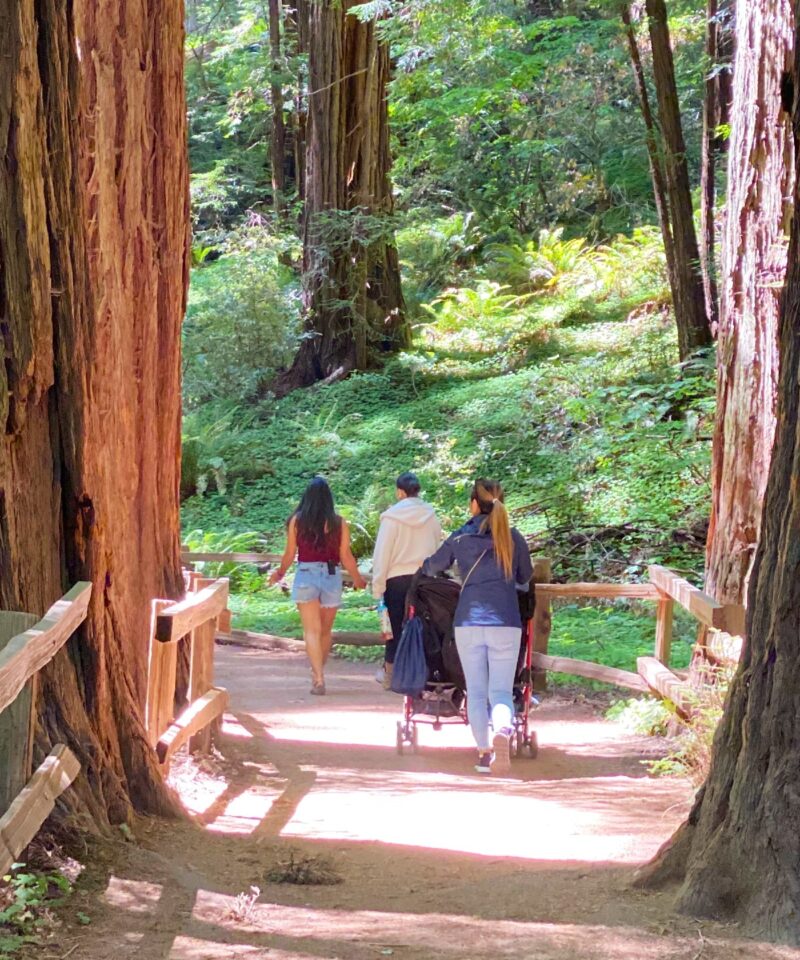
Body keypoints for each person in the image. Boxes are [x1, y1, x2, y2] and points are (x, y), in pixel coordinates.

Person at [421, 478, 533, 775]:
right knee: (500, 692)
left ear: (473, 504)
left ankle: (484, 754)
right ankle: (504, 731)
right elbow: (525, 577)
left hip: (469, 621)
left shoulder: (461, 538)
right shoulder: (514, 537)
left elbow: (432, 566)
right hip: (506, 621)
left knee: (477, 691)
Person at [269, 477, 367, 695]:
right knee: (325, 631)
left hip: (306, 574)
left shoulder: (297, 521)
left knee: (311, 631)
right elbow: (346, 555)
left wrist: (279, 573)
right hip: (331, 575)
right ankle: (318, 674)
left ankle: (319, 678)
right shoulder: (338, 522)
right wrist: (357, 578)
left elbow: (289, 553)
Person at [371, 472, 442, 690]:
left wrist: (378, 586)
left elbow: (382, 553)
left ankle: (391, 674)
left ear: (400, 492)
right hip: (425, 580)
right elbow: (438, 548)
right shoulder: (431, 516)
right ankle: (423, 674)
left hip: (396, 579)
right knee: (424, 626)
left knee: (394, 627)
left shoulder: (391, 518)